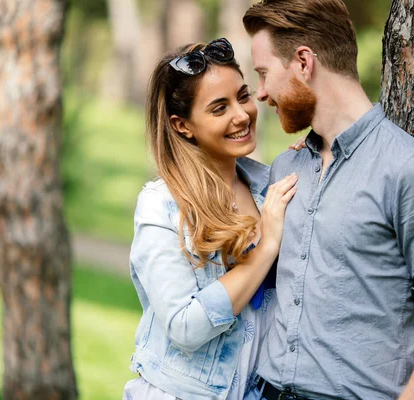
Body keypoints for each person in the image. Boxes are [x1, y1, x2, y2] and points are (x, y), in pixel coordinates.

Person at [242, 1, 414, 399]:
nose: (263, 92)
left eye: (264, 74)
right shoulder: (288, 166)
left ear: (304, 62)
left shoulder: (408, 171)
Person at [123, 38, 299, 400]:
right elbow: (184, 326)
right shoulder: (162, 206)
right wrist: (265, 249)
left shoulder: (271, 185)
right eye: (219, 108)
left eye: (243, 96)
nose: (241, 115)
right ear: (182, 125)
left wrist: (311, 161)